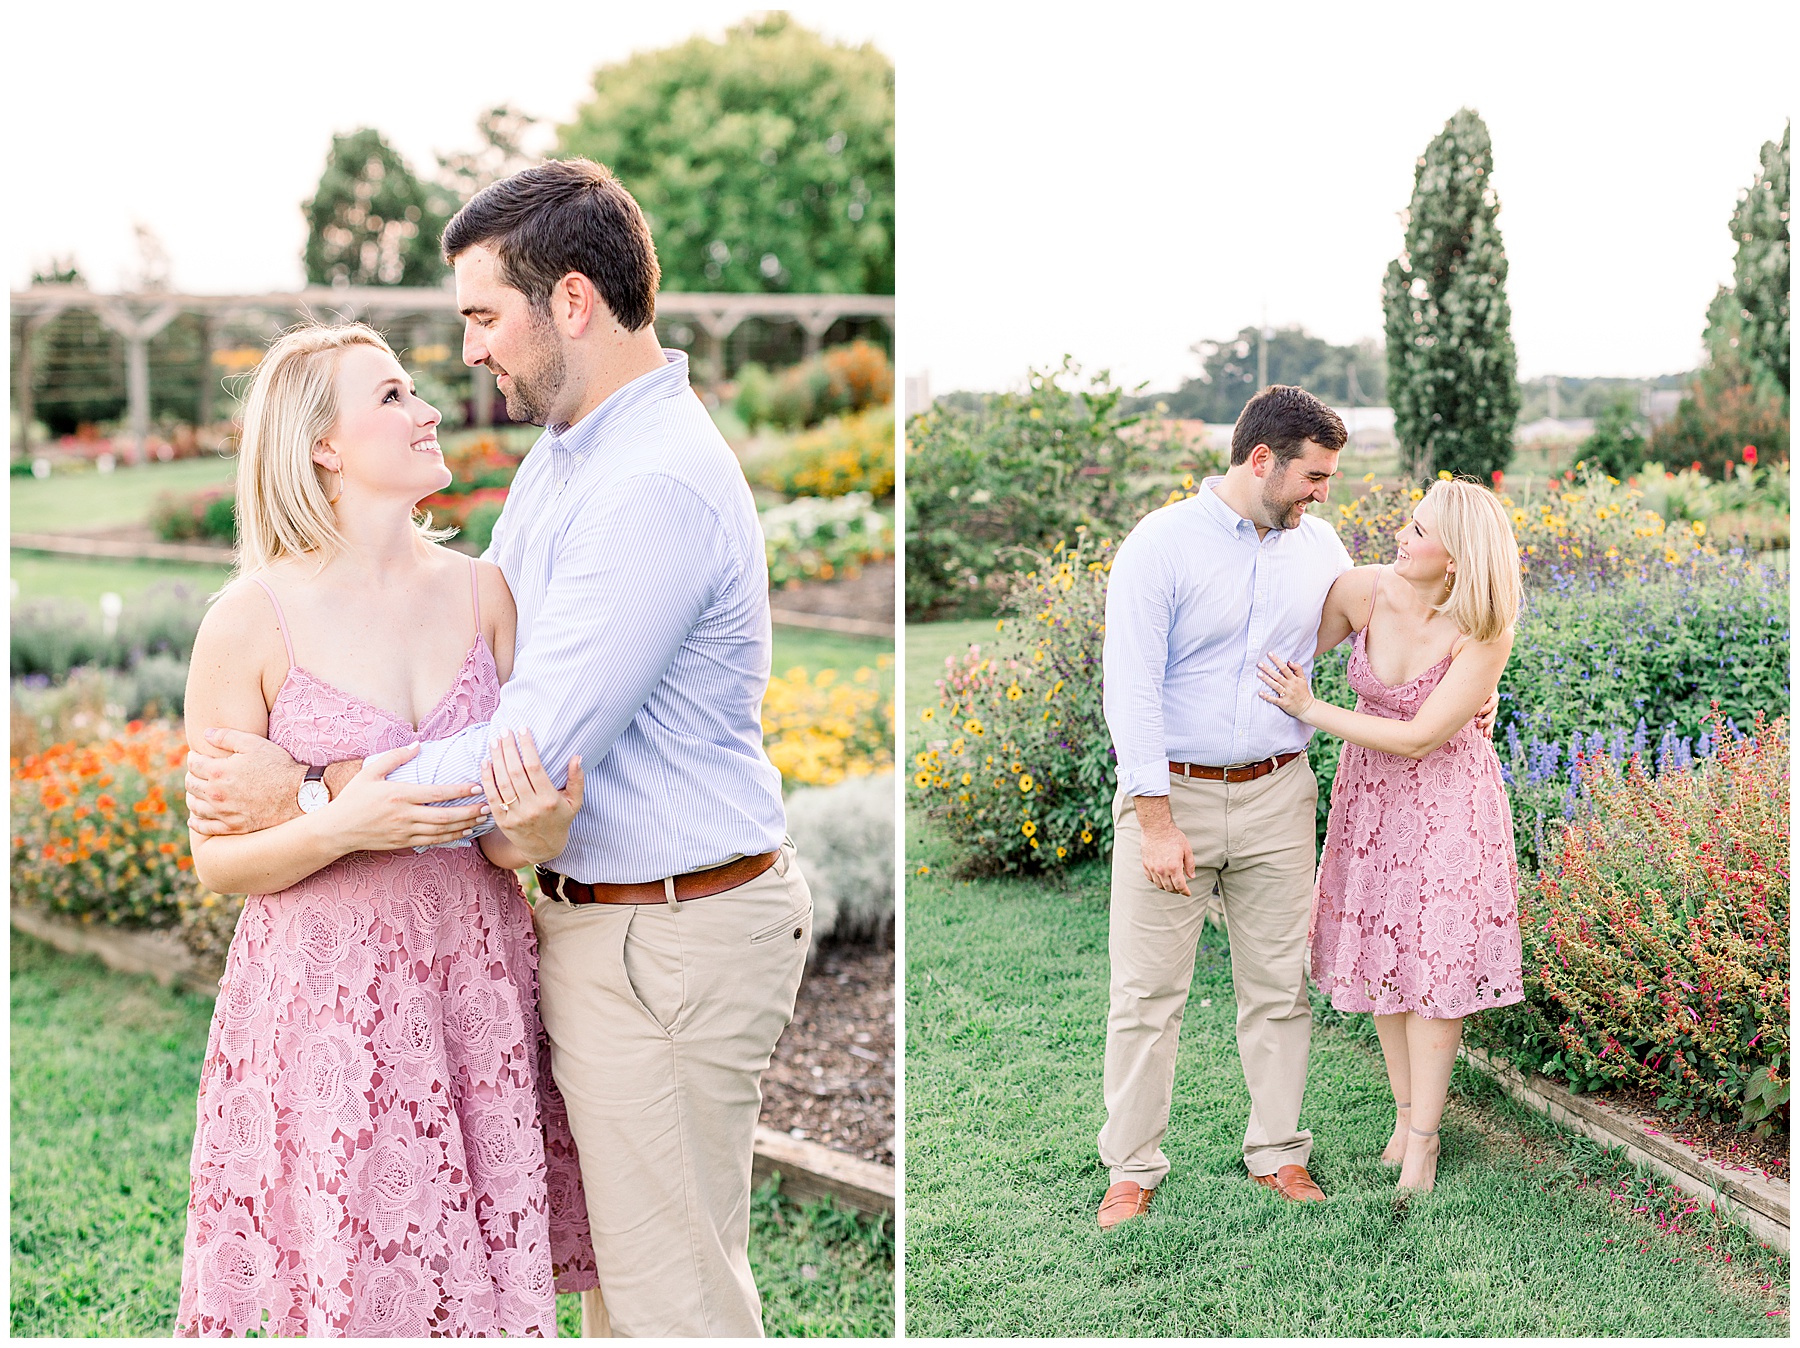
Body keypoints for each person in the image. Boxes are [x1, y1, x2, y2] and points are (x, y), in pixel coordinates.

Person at [184, 159, 813, 1338]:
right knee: (603, 1298)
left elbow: (523, 742)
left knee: (671, 1306)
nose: (467, 356)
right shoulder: (565, 461)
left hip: (666, 936)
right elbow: (508, 756)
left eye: (482, 317)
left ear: (571, 301)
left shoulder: (655, 483)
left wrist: (316, 784)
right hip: (562, 942)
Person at [176, 322, 595, 1336]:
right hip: (323, 1003)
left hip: (478, 985)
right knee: (352, 1284)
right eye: (395, 395)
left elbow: (507, 827)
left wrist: (538, 833)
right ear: (323, 444)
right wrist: (341, 819)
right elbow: (217, 860)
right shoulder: (249, 619)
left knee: (481, 1286)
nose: (429, 409)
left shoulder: (484, 593)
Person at [1256, 478, 1524, 1193]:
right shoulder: (1363, 591)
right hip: (1371, 804)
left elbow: (1419, 738)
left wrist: (1313, 710)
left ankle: (1427, 1143)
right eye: (1407, 524)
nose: (1399, 537)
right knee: (1382, 959)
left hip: (1447, 807)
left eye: (1417, 531)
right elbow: (1278, 643)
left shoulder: (1485, 629)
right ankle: (1406, 1118)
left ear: (1458, 559)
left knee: (1433, 970)